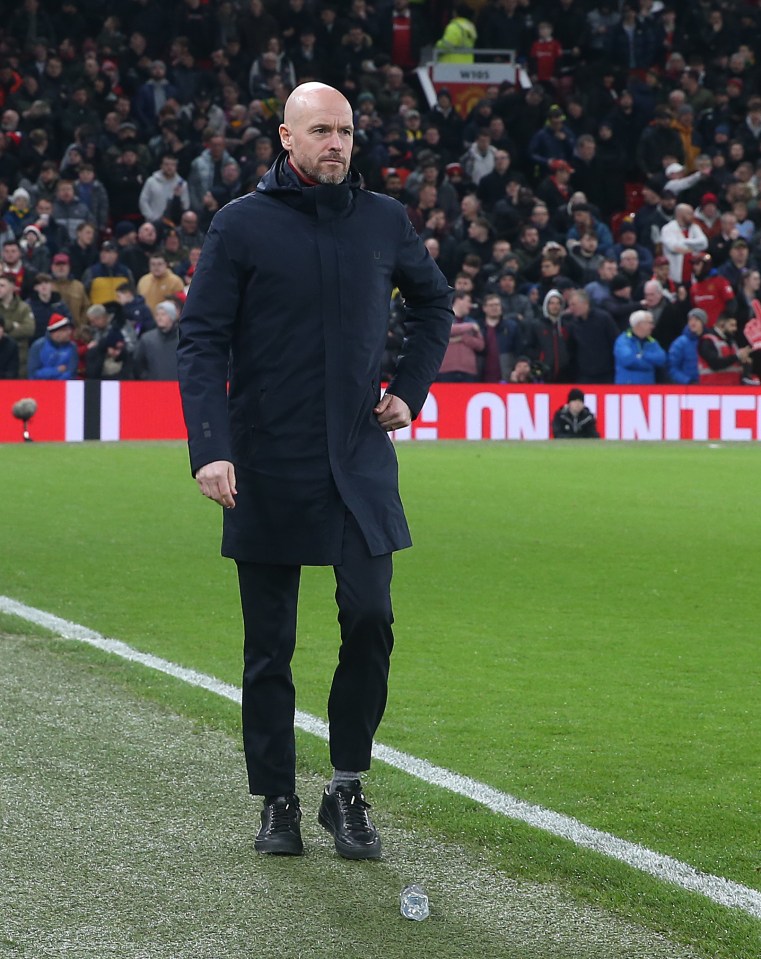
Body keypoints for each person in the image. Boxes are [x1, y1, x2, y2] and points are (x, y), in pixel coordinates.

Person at [177, 82, 452, 861]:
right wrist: (211, 447)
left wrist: (409, 390)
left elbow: (434, 305)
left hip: (358, 460)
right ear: (285, 138)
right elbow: (199, 338)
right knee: (270, 644)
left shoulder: (384, 220)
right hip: (265, 460)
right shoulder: (240, 225)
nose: (336, 143)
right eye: (321, 131)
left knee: (370, 618)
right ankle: (275, 799)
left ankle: (345, 788)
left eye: (346, 130)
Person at [614, 310, 668, 385]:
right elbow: (628, 360)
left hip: (648, 389)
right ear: (639, 324)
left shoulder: (652, 341)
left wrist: (642, 355)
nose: (653, 326)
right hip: (627, 390)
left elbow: (662, 358)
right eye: (650, 323)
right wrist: (650, 365)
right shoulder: (623, 340)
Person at [134, 300, 180, 379]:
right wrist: (147, 379)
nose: (159, 318)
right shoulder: (147, 339)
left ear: (172, 317)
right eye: (157, 315)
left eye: (163, 314)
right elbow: (138, 364)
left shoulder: (181, 338)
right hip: (154, 387)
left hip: (177, 387)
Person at [27, 313, 78, 380]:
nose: (70, 332)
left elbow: (71, 373)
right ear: (55, 333)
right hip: (40, 387)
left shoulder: (72, 347)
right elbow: (33, 374)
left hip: (63, 387)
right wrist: (57, 370)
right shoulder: (38, 346)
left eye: (69, 329)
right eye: (65, 330)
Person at [668, 307, 706, 385]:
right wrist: (688, 381)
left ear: (703, 322)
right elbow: (672, 368)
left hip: (708, 386)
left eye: (696, 319)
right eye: (690, 320)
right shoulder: (680, 343)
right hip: (687, 387)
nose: (693, 323)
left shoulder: (709, 339)